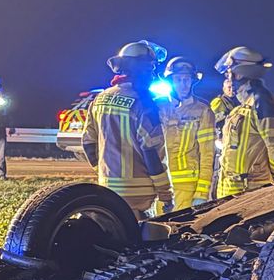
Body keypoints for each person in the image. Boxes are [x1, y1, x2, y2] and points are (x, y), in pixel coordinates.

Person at [81, 41, 172, 214]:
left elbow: (88, 143)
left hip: (107, 188)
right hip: (140, 196)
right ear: (139, 70)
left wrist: (104, 172)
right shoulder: (143, 104)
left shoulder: (99, 99)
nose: (152, 75)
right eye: (150, 69)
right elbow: (151, 152)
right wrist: (165, 193)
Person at [214, 46, 274, 198]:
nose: (228, 80)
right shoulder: (242, 105)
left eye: (229, 74)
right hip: (232, 189)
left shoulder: (262, 102)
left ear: (239, 74)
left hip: (250, 190)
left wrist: (263, 175)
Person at [157, 57, 216, 210]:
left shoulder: (203, 110)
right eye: (178, 80)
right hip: (160, 187)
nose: (183, 84)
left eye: (187, 79)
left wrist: (202, 193)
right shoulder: (158, 107)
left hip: (188, 189)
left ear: (192, 81)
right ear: (171, 81)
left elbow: (207, 154)